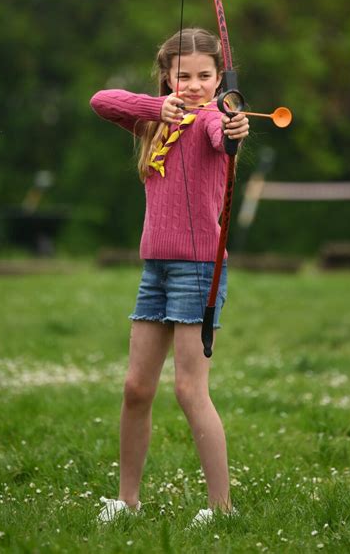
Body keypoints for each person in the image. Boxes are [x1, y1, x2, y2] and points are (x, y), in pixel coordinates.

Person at [90, 28, 249, 526]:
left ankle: (221, 508)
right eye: (184, 76)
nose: (195, 85)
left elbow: (223, 137)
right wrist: (156, 107)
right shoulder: (157, 122)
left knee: (187, 389)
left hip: (199, 270)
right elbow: (102, 100)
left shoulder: (210, 122)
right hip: (155, 269)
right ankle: (126, 501)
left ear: (220, 78)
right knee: (136, 387)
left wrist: (233, 125)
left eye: (206, 76)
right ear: (167, 77)